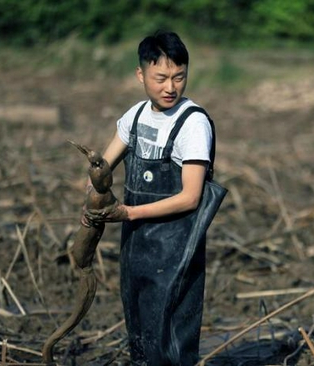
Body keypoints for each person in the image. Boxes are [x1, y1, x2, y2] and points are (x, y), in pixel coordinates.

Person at [84, 30, 216, 365]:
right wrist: (91, 202)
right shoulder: (136, 116)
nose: (170, 88)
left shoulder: (193, 124)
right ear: (141, 75)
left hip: (177, 250)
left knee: (169, 344)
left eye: (179, 77)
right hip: (136, 248)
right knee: (141, 340)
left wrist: (128, 213)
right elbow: (104, 168)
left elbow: (190, 197)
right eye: (161, 78)